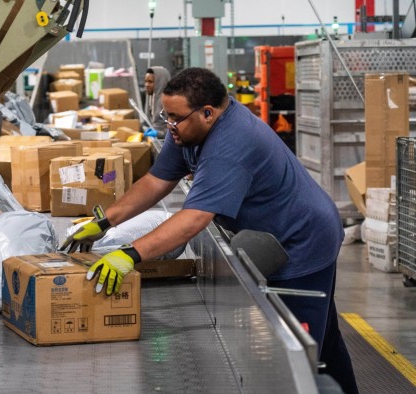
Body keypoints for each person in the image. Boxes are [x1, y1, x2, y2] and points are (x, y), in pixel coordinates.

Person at [62, 67, 359, 393]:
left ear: (207, 112)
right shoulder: (186, 130)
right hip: (274, 235)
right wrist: (104, 222)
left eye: (175, 117)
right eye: (166, 114)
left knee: (303, 353)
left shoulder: (231, 143)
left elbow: (194, 219)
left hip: (302, 241)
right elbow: (156, 181)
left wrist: (130, 254)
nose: (169, 125)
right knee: (324, 340)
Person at [142, 66, 171, 139]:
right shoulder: (152, 98)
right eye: (145, 81)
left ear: (160, 82)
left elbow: (176, 128)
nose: (146, 85)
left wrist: (158, 133)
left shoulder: (169, 102)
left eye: (150, 82)